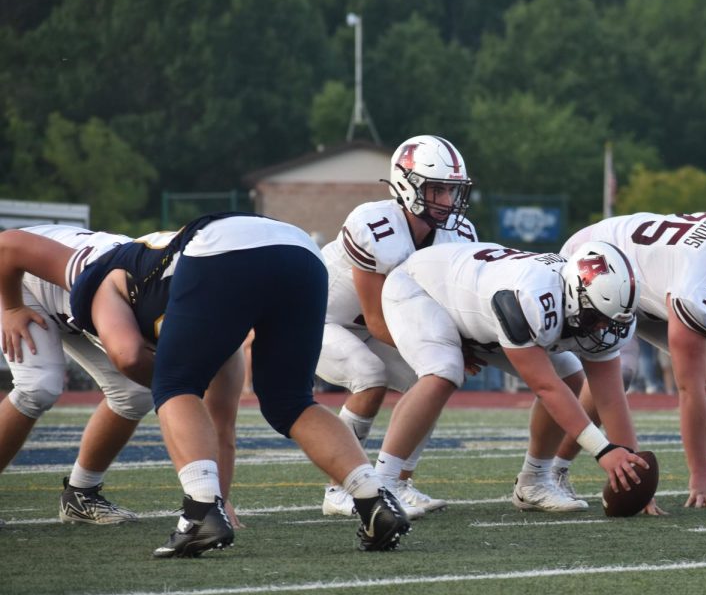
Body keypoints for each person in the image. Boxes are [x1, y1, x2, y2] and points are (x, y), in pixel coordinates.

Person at [0, 213, 411, 557]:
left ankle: (187, 514)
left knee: (171, 384)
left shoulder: (114, 278)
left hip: (220, 254)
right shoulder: (124, 282)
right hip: (299, 253)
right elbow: (11, 245)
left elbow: (146, 367)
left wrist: (214, 495)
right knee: (289, 402)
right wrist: (13, 305)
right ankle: (374, 499)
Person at [379, 240, 648, 512]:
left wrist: (633, 471)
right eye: (596, 317)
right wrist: (603, 451)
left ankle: (535, 481)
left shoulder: (602, 314)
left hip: (478, 309)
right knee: (443, 371)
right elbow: (546, 388)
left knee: (570, 376)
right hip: (421, 288)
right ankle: (383, 486)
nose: (603, 329)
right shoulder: (530, 297)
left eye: (610, 322)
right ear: (574, 292)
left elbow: (611, 397)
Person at [317, 135, 477, 520]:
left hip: (376, 328)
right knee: (369, 375)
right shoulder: (374, 225)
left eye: (451, 190)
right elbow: (374, 318)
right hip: (320, 321)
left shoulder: (459, 233)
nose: (446, 200)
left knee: (435, 379)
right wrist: (437, 347)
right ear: (406, 184)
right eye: (436, 189)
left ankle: (399, 480)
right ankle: (342, 487)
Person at [555, 211, 706, 507]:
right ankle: (554, 469)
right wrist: (645, 480)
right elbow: (689, 388)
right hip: (601, 266)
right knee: (619, 369)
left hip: (651, 278)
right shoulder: (695, 279)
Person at [0, 225, 152, 525]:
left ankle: (81, 496)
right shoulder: (98, 272)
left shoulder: (178, 295)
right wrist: (12, 306)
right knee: (38, 385)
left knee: (135, 393)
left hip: (81, 301)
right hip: (21, 280)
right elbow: (9, 244)